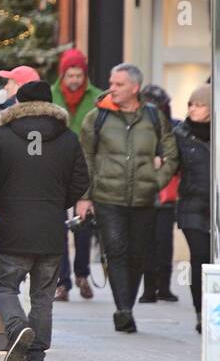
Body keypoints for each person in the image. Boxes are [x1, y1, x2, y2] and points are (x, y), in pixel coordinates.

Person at [0, 81, 90, 361]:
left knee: (4, 285)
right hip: (50, 229)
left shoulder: (3, 136)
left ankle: (17, 327)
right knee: (43, 296)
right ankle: (37, 359)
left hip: (12, 227)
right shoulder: (67, 138)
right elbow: (81, 181)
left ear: (19, 103)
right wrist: (57, 204)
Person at [76, 63, 179, 334]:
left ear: (135, 88)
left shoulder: (153, 117)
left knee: (137, 255)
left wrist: (156, 182)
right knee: (117, 251)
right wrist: (85, 197)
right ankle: (124, 310)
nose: (112, 88)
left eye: (119, 84)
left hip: (144, 198)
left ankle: (127, 306)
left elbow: (171, 154)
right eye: (111, 82)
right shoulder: (96, 117)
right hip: (107, 198)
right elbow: (84, 158)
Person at [49, 48, 102, 301]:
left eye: (79, 74)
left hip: (84, 168)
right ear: (63, 74)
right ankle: (62, 282)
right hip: (57, 168)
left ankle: (82, 273)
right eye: (70, 74)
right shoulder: (51, 95)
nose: (74, 80)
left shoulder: (96, 97)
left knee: (83, 224)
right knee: (57, 228)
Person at [174, 84, 211, 333]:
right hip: (192, 205)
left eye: (199, 105)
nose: (193, 109)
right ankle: (201, 312)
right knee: (200, 258)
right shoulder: (181, 134)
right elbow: (169, 166)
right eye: (191, 104)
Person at [139, 84, 180, 304]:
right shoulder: (139, 128)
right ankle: (149, 288)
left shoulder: (174, 129)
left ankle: (163, 286)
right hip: (145, 193)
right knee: (147, 243)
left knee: (164, 242)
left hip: (165, 194)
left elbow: (176, 158)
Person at [0, 65, 42, 149]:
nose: (6, 87)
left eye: (9, 83)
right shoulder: (48, 115)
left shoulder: (1, 116)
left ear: (19, 86)